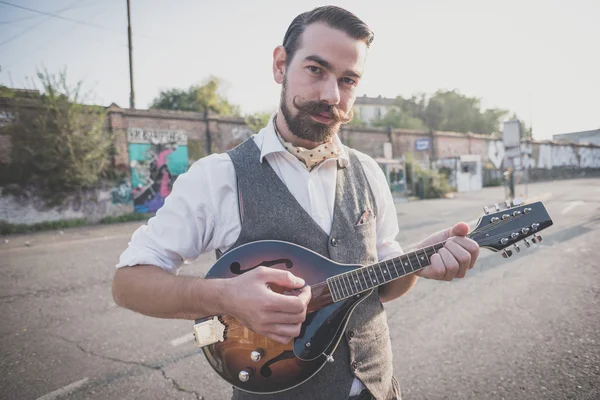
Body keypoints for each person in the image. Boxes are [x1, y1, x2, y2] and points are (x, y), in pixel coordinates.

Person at [112, 6, 480, 400]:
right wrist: (224, 296)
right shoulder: (218, 176)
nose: (330, 95)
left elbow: (381, 287)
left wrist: (420, 261)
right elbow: (128, 284)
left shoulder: (370, 172)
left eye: (348, 80)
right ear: (280, 65)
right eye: (316, 70)